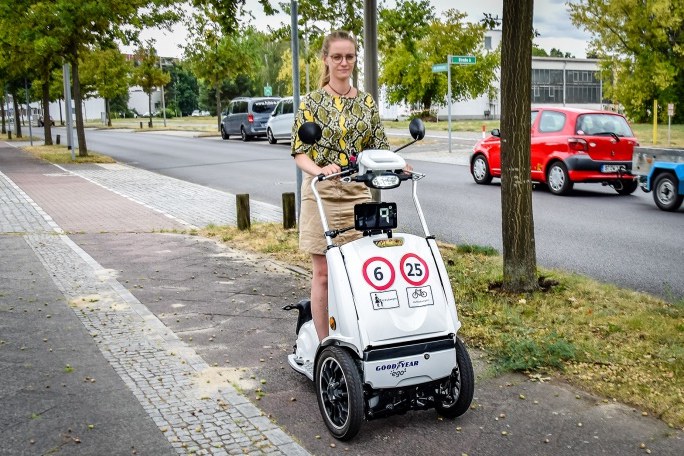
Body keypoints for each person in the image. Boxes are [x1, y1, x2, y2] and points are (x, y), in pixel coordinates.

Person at [291, 30, 407, 342]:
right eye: (337, 57)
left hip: (357, 190)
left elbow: (379, 145)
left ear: (355, 59)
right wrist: (319, 171)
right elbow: (299, 152)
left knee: (360, 269)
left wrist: (400, 165)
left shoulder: (367, 102)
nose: (344, 62)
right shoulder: (312, 102)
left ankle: (358, 335)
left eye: (350, 57)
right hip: (322, 192)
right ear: (326, 60)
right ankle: (324, 345)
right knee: (325, 275)